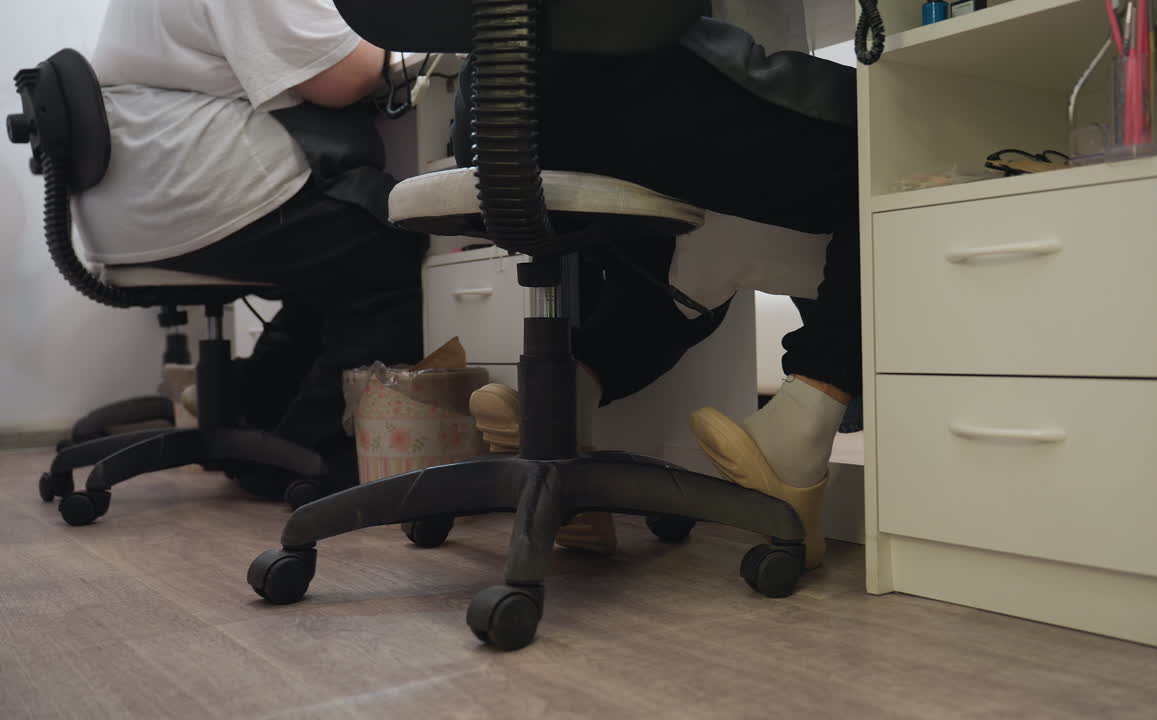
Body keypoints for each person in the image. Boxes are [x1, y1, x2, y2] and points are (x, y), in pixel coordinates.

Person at [460, 16, 859, 570]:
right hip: (632, 82)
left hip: (490, 113)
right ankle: (802, 429)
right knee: (898, 137)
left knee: (675, 281)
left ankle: (560, 410)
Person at [77, 0, 424, 498]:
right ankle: (306, 453)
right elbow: (348, 75)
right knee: (388, 254)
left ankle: (256, 424)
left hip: (139, 190)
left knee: (336, 266)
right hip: (188, 187)